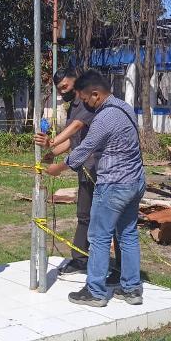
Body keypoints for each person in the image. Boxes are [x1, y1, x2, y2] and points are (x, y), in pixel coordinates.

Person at [43, 69, 145, 307]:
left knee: (99, 237)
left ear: (96, 94)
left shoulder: (104, 117)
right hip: (135, 182)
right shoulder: (125, 108)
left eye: (85, 99)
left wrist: (60, 167)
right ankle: (131, 289)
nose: (84, 104)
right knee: (128, 235)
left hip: (114, 185)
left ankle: (95, 291)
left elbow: (85, 147)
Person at [35, 68, 122, 285]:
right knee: (84, 215)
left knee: (111, 222)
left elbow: (77, 128)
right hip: (85, 169)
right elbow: (73, 141)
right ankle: (80, 258)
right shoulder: (73, 105)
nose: (63, 91)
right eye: (59, 89)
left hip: (102, 171)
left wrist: (51, 142)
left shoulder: (87, 103)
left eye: (65, 86)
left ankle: (119, 270)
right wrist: (50, 154)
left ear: (76, 81)